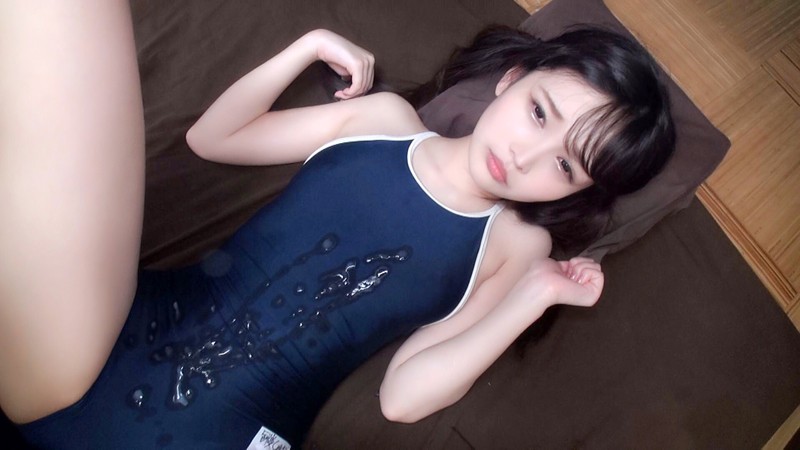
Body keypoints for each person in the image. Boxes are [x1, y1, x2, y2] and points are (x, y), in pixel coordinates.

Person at [0, 2, 674, 448]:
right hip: (108, 339)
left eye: (565, 165)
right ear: (512, 78)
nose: (526, 157)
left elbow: (404, 398)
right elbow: (215, 137)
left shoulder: (519, 246)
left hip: (225, 435)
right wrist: (308, 46)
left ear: (578, 191)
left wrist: (538, 295)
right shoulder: (381, 122)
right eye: (539, 113)